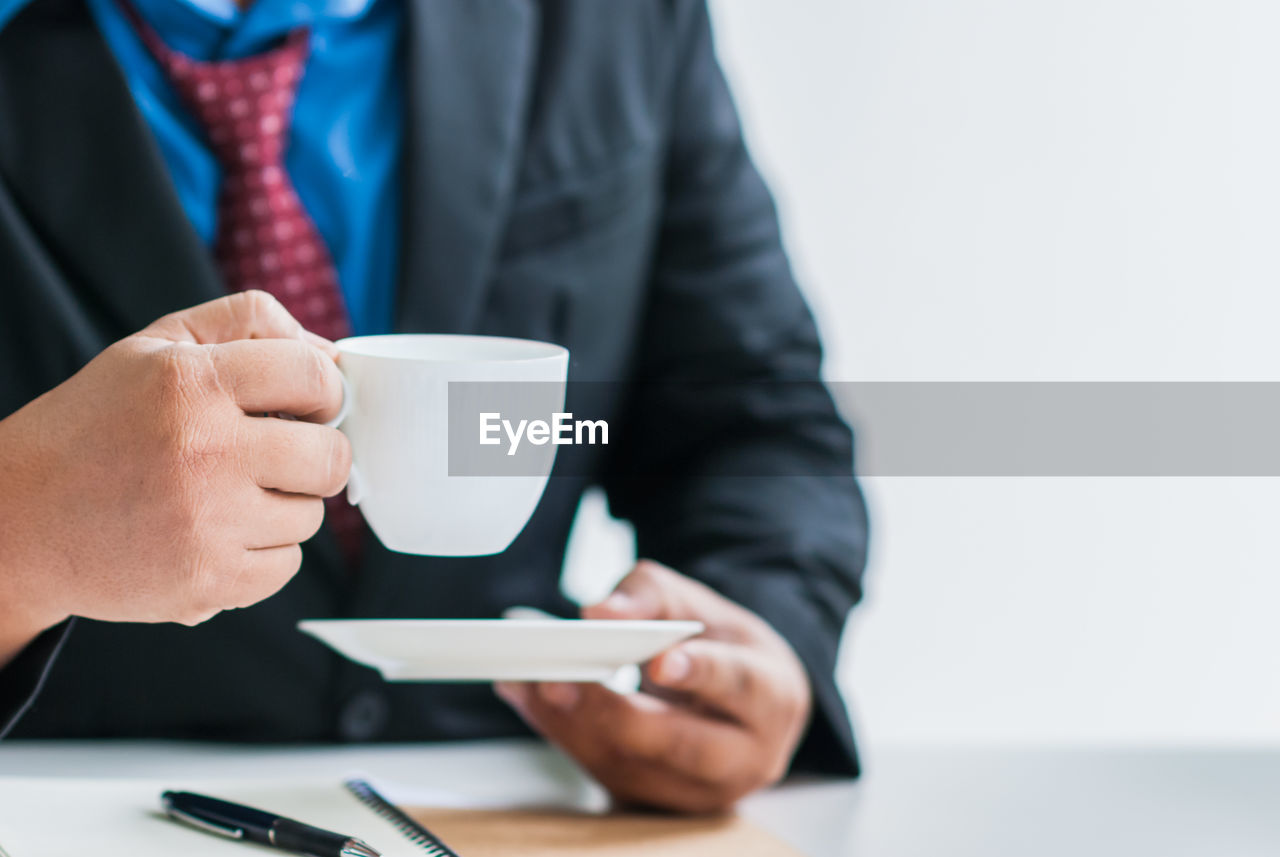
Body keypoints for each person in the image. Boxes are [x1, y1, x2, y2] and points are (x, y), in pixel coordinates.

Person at [0, 0, 868, 814]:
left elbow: (752, 416)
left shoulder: (613, 19)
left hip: (518, 802)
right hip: (70, 802)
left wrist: (753, 642)